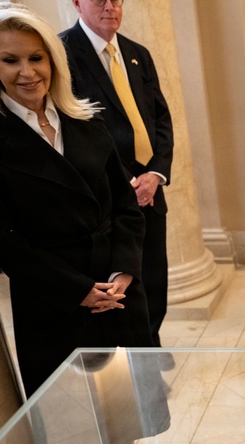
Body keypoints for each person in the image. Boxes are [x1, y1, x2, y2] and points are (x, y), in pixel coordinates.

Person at [0, 3, 162, 444]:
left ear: (52, 59)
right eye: (10, 60)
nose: (27, 72)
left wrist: (124, 272)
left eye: (36, 57)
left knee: (124, 399)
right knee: (76, 407)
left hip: (115, 286)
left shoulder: (86, 119)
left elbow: (126, 207)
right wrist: (77, 291)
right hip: (55, 294)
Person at [60, 0, 174, 349]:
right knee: (124, 281)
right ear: (77, 3)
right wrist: (126, 182)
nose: (110, 6)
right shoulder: (62, 53)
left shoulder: (137, 53)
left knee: (155, 277)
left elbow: (160, 119)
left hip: (150, 189)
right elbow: (76, 128)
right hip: (109, 192)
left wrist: (155, 174)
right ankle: (136, 351)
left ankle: (152, 345)